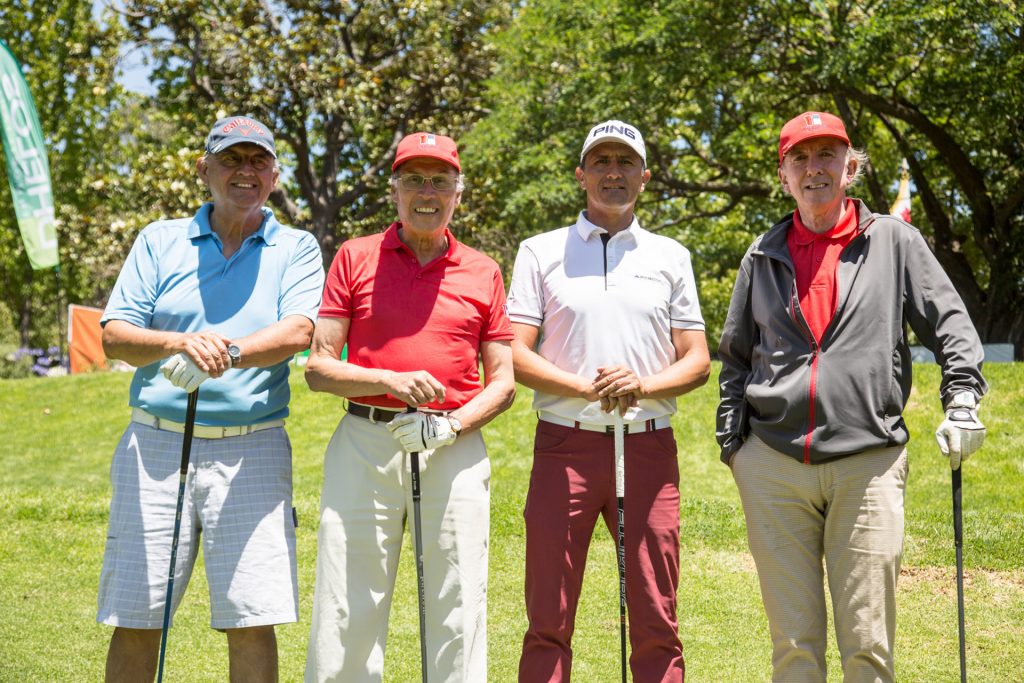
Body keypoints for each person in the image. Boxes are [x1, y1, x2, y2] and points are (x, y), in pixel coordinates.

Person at [716, 111, 988, 682]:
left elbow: (951, 325)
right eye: (799, 158)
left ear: (850, 166)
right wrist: (734, 447)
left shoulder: (893, 240)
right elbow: (735, 357)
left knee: (867, 645)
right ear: (783, 174)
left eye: (827, 155)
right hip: (773, 466)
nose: (814, 168)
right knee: (793, 645)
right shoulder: (761, 254)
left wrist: (962, 397)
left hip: (868, 461)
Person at [97, 115, 325, 683]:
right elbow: (116, 335)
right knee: (138, 616)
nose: (245, 172)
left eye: (258, 161)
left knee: (252, 618)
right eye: (231, 160)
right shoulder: (160, 239)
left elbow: (299, 331)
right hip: (155, 446)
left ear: (275, 176)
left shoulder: (297, 247)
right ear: (204, 170)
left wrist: (222, 353)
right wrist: (180, 343)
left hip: (253, 449)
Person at [303, 131, 516, 682]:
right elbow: (319, 368)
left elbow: (504, 383)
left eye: (440, 181)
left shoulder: (483, 270)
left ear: (457, 194)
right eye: (415, 180)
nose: (427, 192)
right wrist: (388, 381)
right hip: (364, 445)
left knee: (457, 599)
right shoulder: (354, 257)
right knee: (347, 600)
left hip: (452, 448)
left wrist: (451, 426)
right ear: (394, 191)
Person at [508, 119, 711, 683]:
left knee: (655, 614)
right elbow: (513, 353)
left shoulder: (670, 255)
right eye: (601, 161)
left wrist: (640, 386)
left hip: (647, 448)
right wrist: (585, 388)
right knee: (548, 615)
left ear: (644, 177)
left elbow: (697, 360)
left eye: (626, 162)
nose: (613, 172)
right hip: (564, 447)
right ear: (581, 175)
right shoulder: (539, 251)